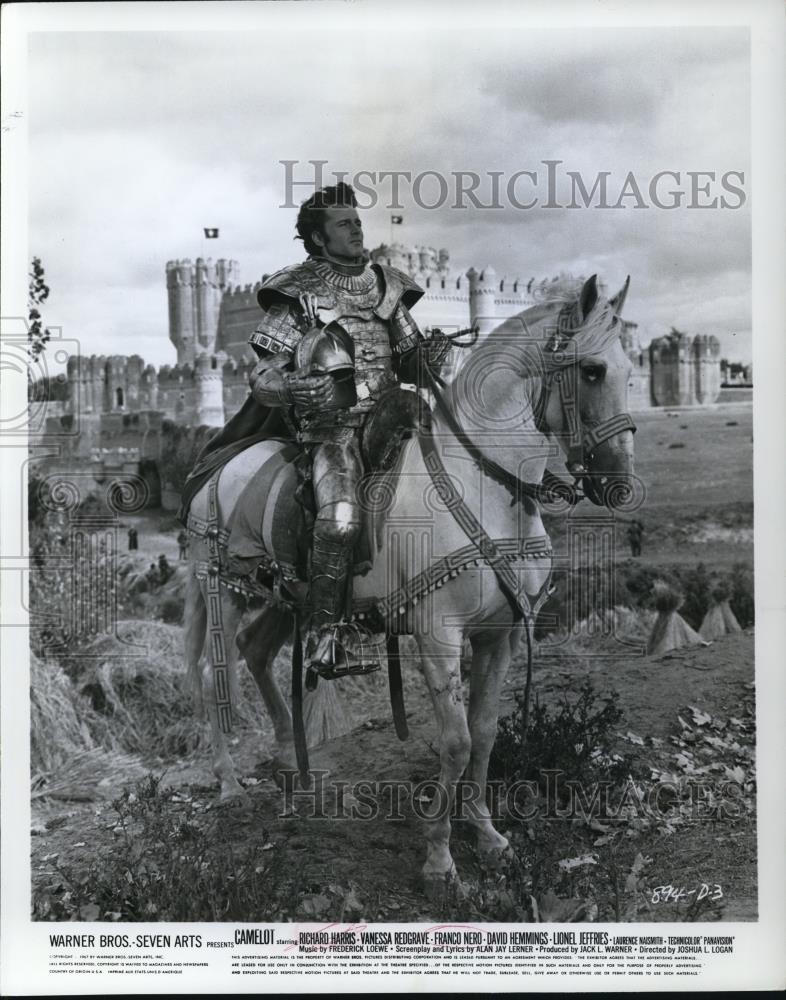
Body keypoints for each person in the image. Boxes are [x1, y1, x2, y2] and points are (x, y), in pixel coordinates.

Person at [237, 181, 448, 680]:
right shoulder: (298, 290)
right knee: (340, 519)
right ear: (317, 239)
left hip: (394, 416)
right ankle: (325, 636)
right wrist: (290, 390)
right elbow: (263, 375)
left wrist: (430, 356)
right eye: (343, 223)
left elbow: (410, 362)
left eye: (357, 220)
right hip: (333, 429)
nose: (356, 228)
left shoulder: (387, 285)